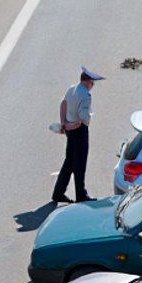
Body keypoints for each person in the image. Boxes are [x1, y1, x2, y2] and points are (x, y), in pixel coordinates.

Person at [52, 67, 103, 204]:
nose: (93, 86)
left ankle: (58, 192)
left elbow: (63, 103)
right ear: (87, 82)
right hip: (79, 131)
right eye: (92, 83)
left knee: (69, 161)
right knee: (79, 164)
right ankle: (81, 194)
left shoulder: (71, 89)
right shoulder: (85, 95)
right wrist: (82, 120)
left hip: (70, 129)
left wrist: (64, 124)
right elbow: (83, 118)